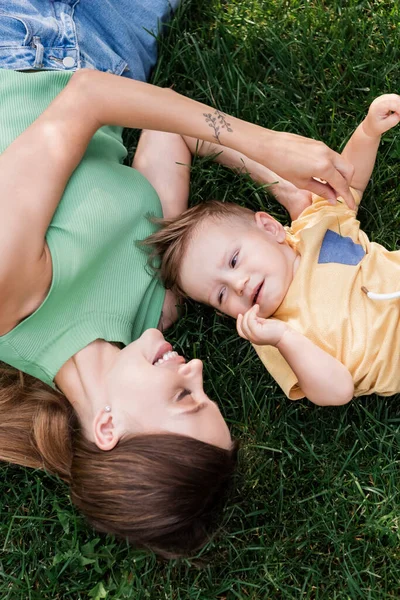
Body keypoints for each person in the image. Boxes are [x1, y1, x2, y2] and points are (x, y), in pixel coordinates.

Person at [0, 1, 355, 556]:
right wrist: (282, 185)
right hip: (114, 52)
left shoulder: (12, 296)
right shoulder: (155, 308)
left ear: (109, 429)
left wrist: (264, 141)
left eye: (185, 398)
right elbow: (172, 138)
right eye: (205, 391)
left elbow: (83, 100)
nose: (196, 367)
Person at [147, 94, 400, 407]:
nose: (238, 284)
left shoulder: (315, 224)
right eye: (222, 296)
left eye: (234, 260)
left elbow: (349, 186)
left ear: (270, 228)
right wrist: (284, 339)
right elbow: (338, 392)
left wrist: (368, 131)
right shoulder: (274, 336)